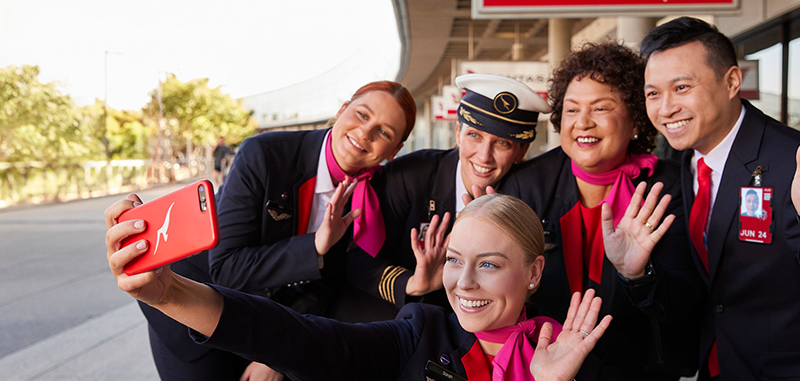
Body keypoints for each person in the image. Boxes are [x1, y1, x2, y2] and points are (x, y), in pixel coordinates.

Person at [105, 193, 613, 380]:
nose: (463, 282)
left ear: (534, 273)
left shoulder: (570, 354)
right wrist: (170, 294)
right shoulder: (423, 330)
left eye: (490, 265)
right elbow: (305, 340)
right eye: (456, 260)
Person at [136, 81, 417, 380]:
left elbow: (326, 285)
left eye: (384, 132)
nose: (365, 133)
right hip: (192, 303)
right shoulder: (265, 154)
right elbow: (227, 268)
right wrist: (315, 247)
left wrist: (275, 352)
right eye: (362, 114)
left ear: (395, 150)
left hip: (261, 323)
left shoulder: (369, 197)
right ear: (342, 109)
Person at [502, 42, 702, 380]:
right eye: (571, 109)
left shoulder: (667, 187)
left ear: (636, 120)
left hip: (639, 369)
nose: (583, 123)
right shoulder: (527, 186)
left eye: (601, 109)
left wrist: (637, 276)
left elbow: (682, 304)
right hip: (543, 366)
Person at [640, 16, 800, 379]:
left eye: (682, 87)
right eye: (653, 93)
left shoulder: (791, 160)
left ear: (731, 82)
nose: (665, 109)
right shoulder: (682, 164)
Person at [348, 74, 552, 314]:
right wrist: (411, 283)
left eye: (502, 144)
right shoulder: (409, 176)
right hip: (399, 317)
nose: (484, 156)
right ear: (458, 133)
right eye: (474, 135)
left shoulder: (527, 196)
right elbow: (356, 259)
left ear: (521, 151)